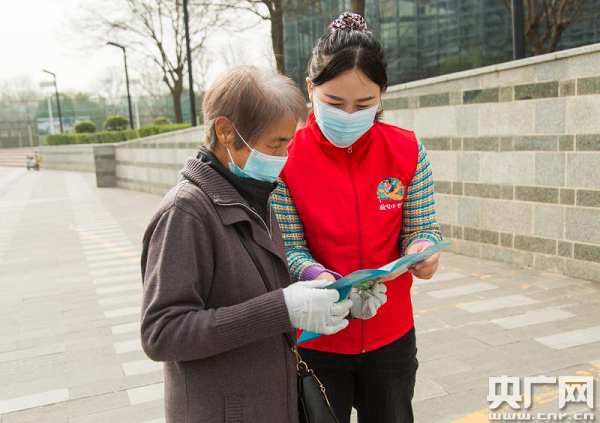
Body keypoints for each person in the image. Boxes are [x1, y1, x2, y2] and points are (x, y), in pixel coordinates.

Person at [140, 65, 353, 423]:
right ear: (225, 131)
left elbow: (268, 293)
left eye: (288, 142)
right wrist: (283, 307)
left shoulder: (254, 196)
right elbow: (162, 333)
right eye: (275, 143)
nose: (284, 156)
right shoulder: (186, 212)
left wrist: (335, 295)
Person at [272, 12, 444, 423]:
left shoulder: (406, 150)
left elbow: (422, 226)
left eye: (364, 104)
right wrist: (321, 278)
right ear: (310, 88)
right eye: (334, 103)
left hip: (392, 335)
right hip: (318, 339)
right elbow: (290, 248)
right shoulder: (284, 158)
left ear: (382, 96)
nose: (348, 114)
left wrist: (423, 250)